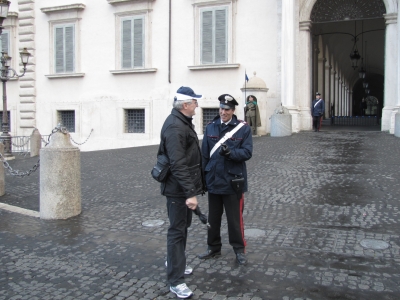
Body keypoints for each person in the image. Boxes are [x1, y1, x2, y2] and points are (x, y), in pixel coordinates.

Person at [160, 86, 206, 299]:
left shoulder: (182, 122)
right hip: (178, 190)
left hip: (183, 188)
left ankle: (175, 261)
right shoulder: (176, 127)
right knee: (177, 231)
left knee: (182, 228)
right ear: (186, 105)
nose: (197, 105)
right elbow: (178, 164)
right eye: (195, 102)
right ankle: (175, 280)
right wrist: (190, 193)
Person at [198, 94, 253, 265]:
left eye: (227, 109)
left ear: (233, 110)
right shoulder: (211, 127)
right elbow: (204, 155)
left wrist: (231, 153)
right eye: (221, 109)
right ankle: (213, 247)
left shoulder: (243, 128)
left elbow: (247, 152)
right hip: (214, 180)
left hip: (232, 182)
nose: (223, 112)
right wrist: (202, 179)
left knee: (234, 219)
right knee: (213, 219)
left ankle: (239, 249)